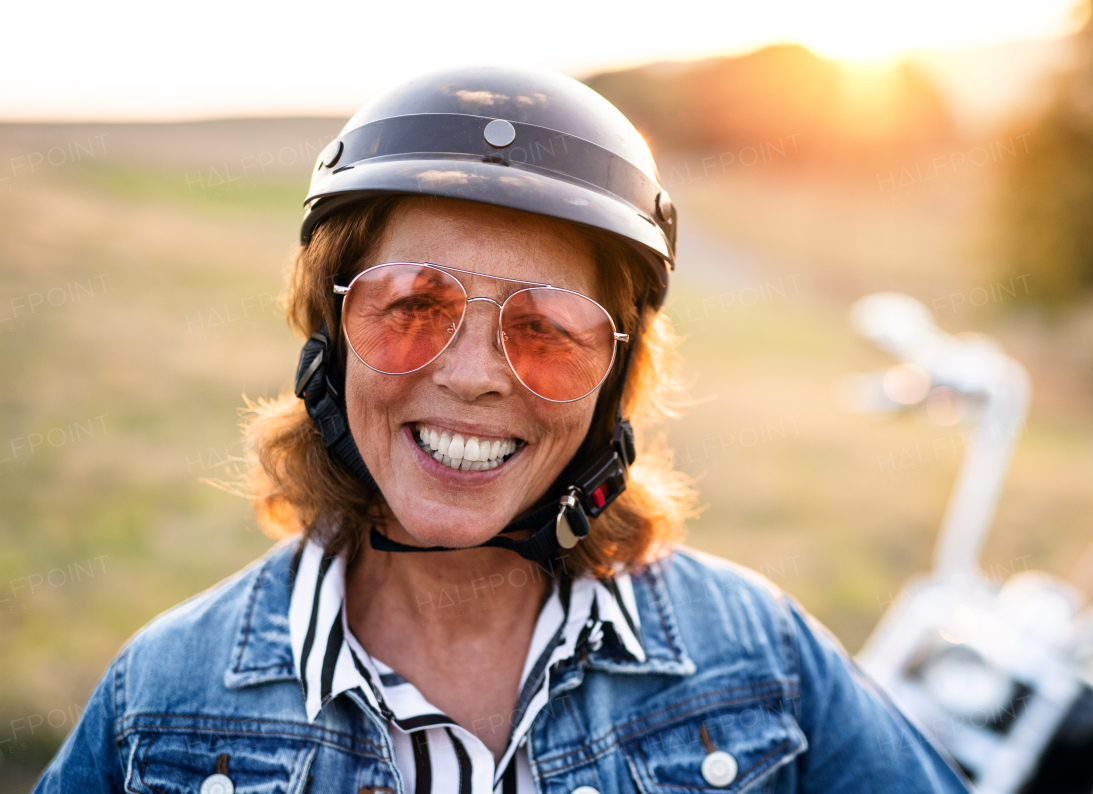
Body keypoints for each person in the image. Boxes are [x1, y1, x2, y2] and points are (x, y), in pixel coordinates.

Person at [34, 65, 970, 793]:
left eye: (546, 330)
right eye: (412, 306)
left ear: (613, 384)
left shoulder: (759, 659)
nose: (475, 375)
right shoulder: (160, 705)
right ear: (331, 339)